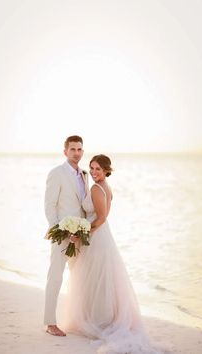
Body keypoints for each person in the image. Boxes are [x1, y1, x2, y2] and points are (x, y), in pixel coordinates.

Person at [57, 154, 169, 354]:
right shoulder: (107, 188)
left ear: (107, 170)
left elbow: (100, 219)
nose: (93, 172)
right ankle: (96, 317)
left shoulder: (96, 188)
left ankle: (96, 320)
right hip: (102, 237)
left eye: (98, 169)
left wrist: (80, 233)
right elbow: (102, 218)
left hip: (96, 237)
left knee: (93, 278)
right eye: (91, 168)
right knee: (98, 278)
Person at [44, 135, 88, 336]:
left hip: (81, 236)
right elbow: (50, 205)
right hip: (62, 234)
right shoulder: (57, 173)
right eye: (73, 149)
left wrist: (84, 231)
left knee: (81, 277)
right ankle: (50, 323)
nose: (76, 153)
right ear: (65, 151)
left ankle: (81, 319)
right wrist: (58, 230)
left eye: (79, 149)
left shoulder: (85, 174)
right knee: (55, 276)